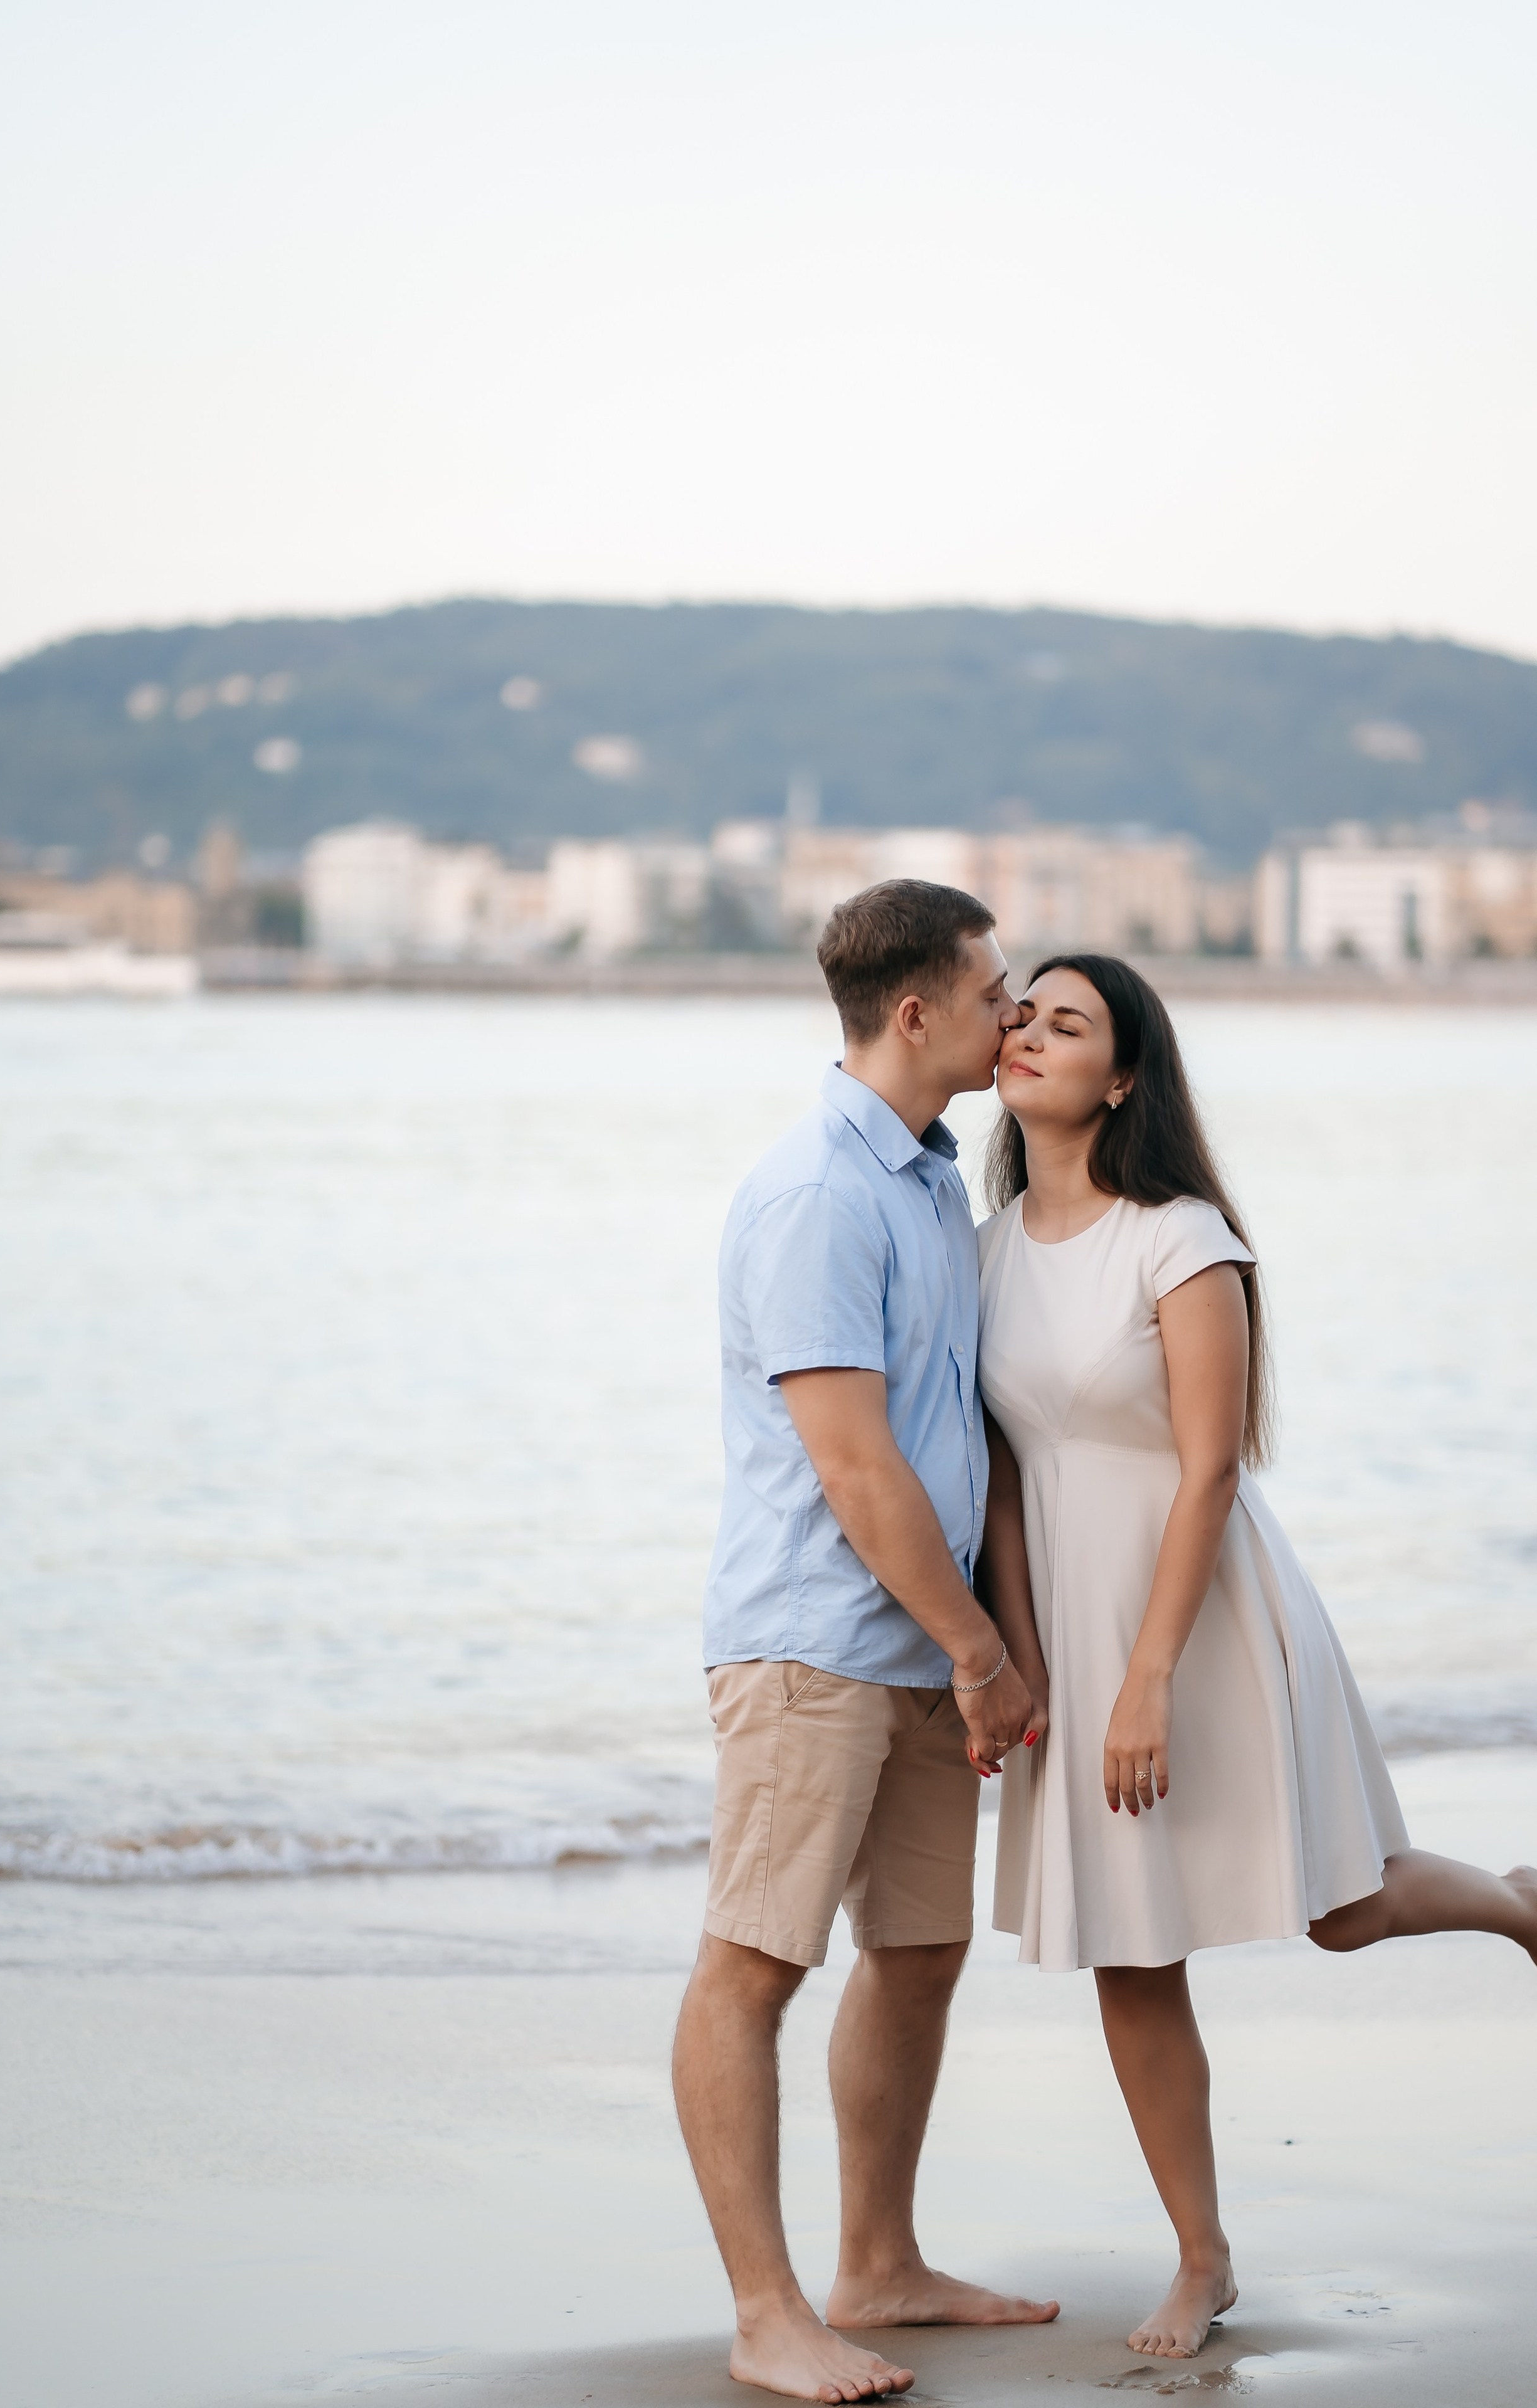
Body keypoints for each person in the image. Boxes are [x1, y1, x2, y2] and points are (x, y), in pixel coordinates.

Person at [974, 951, 1537, 2363]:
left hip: (1205, 1615)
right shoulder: (972, 1249)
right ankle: (1201, 2254)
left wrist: (1148, 1677)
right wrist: (1027, 1662)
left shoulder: (1180, 1237)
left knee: (1338, 1909)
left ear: (1120, 1079)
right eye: (1020, 1013)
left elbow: (1212, 1468)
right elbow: (992, 1483)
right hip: (1072, 1626)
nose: (1028, 1034)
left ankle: (1521, 1910)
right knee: (1128, 1944)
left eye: (1066, 1022)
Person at [673, 880, 1061, 2405]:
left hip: (915, 1644)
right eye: (989, 993)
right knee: (752, 1964)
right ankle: (768, 2314)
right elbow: (854, 1467)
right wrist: (980, 1651)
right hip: (814, 1646)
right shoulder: (817, 1196)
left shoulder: (921, 1179)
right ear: (915, 1014)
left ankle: (877, 2263)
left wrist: (975, 1635)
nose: (1007, 1014)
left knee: (917, 1951)